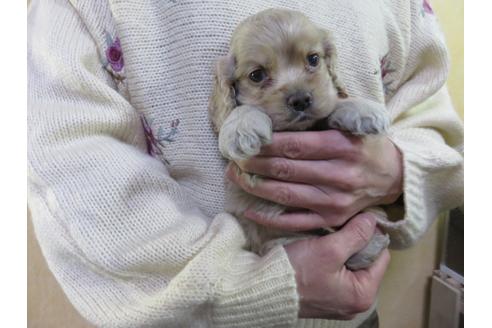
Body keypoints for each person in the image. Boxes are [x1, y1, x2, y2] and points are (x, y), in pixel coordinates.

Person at [27, 0, 463, 327]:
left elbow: (430, 117)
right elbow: (71, 165)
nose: (296, 91)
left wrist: (401, 170)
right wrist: (249, 284)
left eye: (312, 62)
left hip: (354, 316)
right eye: (259, 76)